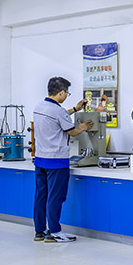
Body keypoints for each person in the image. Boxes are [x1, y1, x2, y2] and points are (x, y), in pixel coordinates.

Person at [33, 76, 94, 242]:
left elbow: (57, 118)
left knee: (41, 196)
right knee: (55, 197)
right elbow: (72, 131)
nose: (67, 95)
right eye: (67, 93)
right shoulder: (58, 111)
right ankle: (54, 232)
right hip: (56, 161)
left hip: (41, 160)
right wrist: (82, 127)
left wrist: (75, 109)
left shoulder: (39, 106)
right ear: (61, 92)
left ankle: (39, 231)